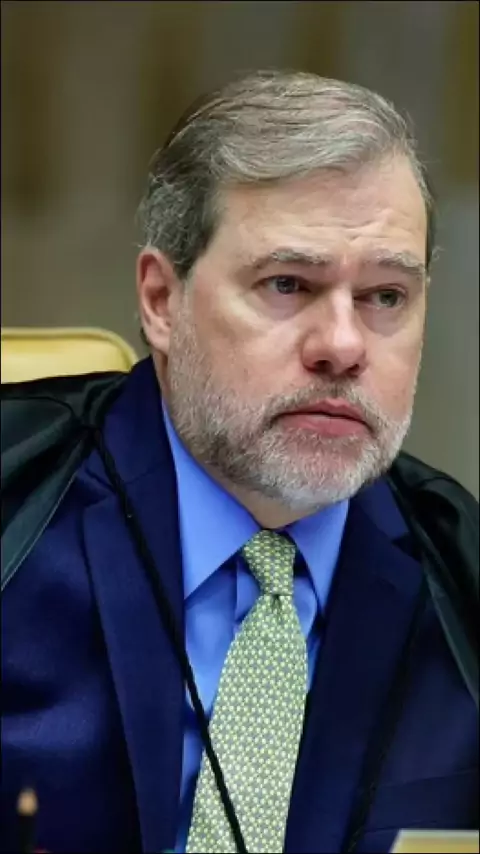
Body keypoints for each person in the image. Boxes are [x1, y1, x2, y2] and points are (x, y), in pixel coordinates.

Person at [1, 69, 478, 854]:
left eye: (386, 297)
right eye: (287, 284)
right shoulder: (20, 497)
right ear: (162, 300)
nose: (343, 346)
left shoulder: (460, 570)